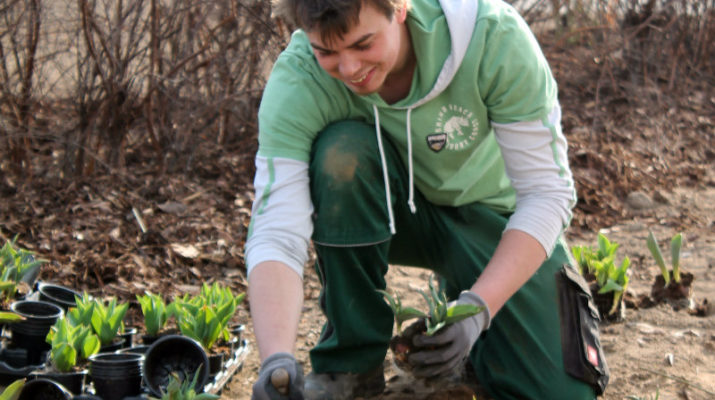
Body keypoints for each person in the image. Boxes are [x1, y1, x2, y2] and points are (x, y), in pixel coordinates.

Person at [246, 0, 609, 399]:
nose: (348, 70)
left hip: (494, 222)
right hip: (392, 215)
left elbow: (548, 194)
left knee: (563, 394)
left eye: (363, 44)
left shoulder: (492, 37)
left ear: (399, 8)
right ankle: (348, 369)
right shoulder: (301, 80)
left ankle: (473, 333)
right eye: (327, 51)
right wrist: (275, 356)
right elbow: (276, 228)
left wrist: (477, 310)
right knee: (341, 156)